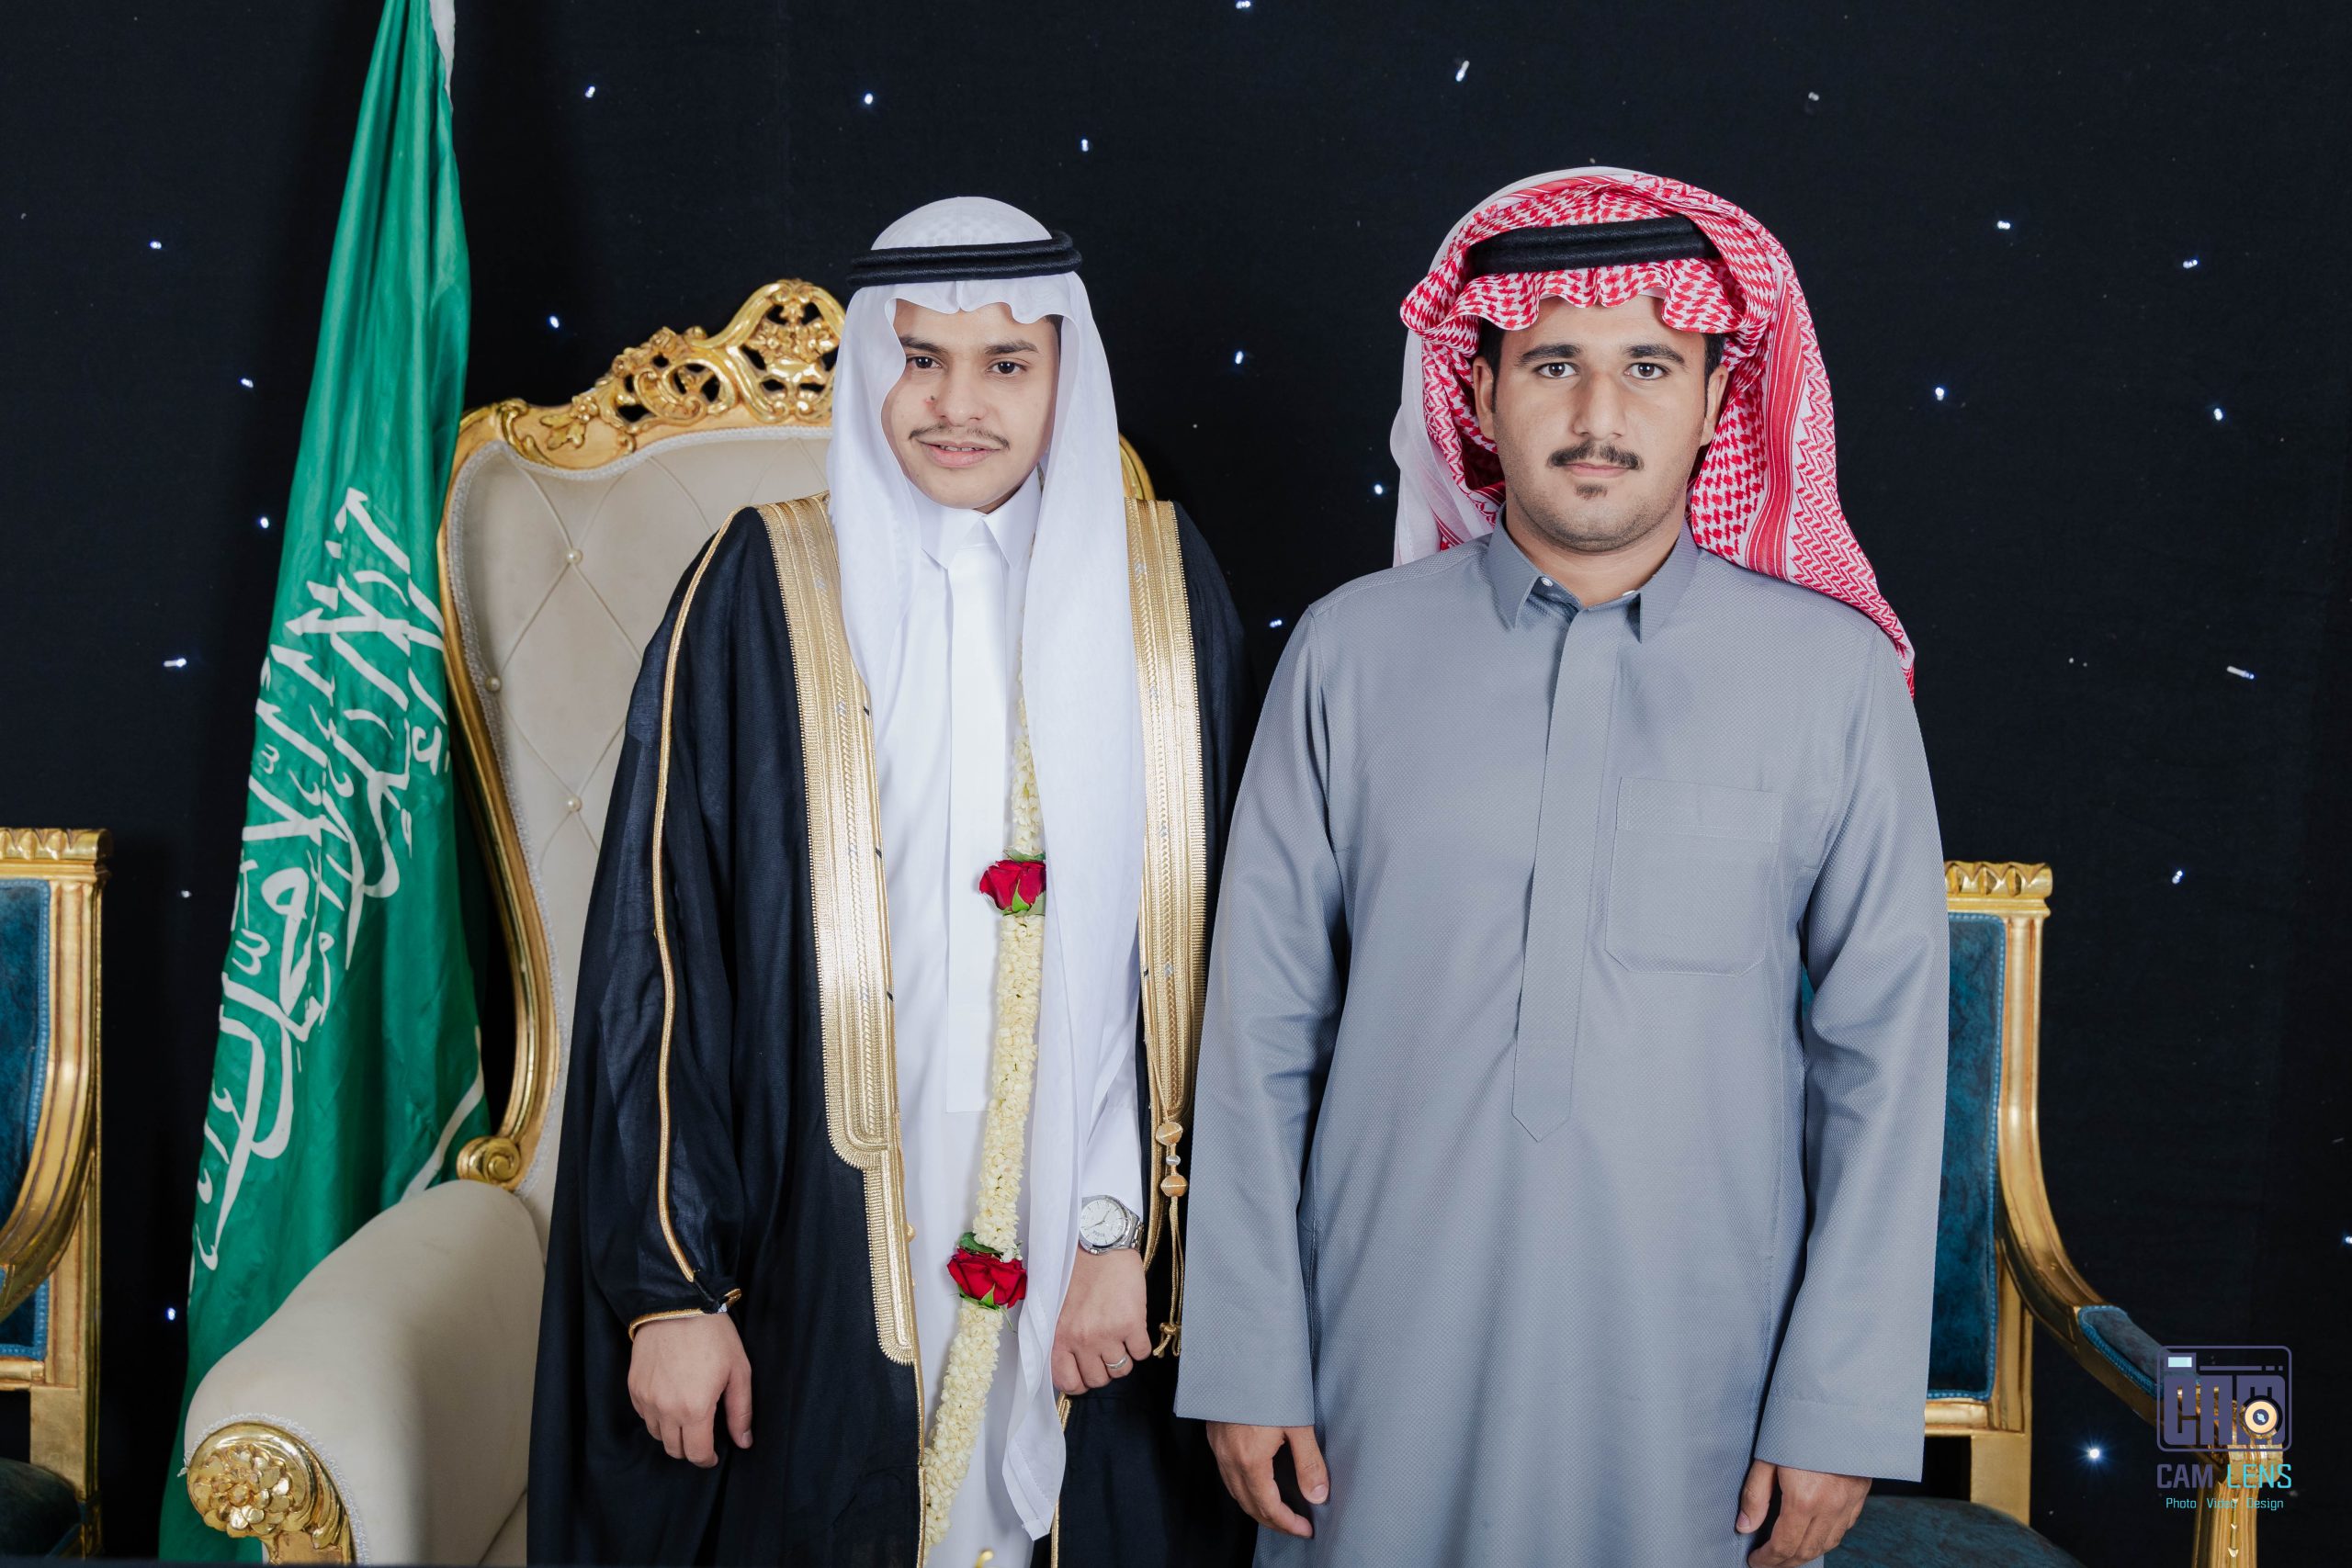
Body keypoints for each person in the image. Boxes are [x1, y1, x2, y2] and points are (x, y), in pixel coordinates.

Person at [1173, 166, 1951, 1568]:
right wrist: (1246, 1352)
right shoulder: (1348, 655)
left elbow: (1885, 1068)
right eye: (1553, 365)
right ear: (1479, 396)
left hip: (1703, 1381)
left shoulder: (1834, 684)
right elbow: (1257, 1036)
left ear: (1717, 399)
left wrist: (1839, 1402)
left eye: (1649, 366)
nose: (1600, 415)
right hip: (1375, 1362)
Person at [529, 197, 1254, 1567]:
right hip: (817, 1228)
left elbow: (1215, 963)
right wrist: (671, 1292)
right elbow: (659, 950)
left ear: (1065, 374)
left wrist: (1124, 1232)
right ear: (874, 364)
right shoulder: (757, 587)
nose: (957, 404)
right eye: (922, 359)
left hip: (1092, 1241)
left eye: (1005, 364)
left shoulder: (1160, 594)